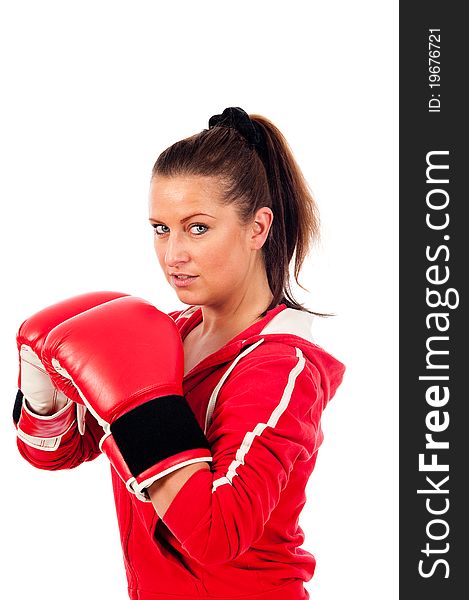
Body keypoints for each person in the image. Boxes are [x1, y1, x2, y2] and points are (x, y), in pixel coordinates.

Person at [13, 107, 345, 600]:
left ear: (258, 229)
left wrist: (141, 412)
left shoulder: (282, 368)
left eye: (197, 227)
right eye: (160, 228)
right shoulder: (165, 334)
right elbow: (60, 453)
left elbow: (219, 532)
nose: (173, 254)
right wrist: (40, 389)